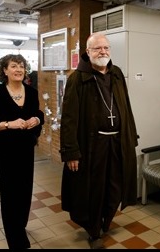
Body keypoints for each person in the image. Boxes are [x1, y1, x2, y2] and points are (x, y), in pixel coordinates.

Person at [59, 32, 139, 249]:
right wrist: (71, 151)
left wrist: (131, 136)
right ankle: (94, 231)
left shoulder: (117, 74)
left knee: (115, 186)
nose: (103, 52)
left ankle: (106, 219)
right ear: (88, 52)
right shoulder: (77, 79)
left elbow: (126, 107)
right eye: (97, 49)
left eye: (106, 48)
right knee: (93, 189)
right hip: (92, 146)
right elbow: (68, 117)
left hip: (117, 143)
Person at [0, 54, 44, 249]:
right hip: (5, 150)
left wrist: (36, 120)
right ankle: (15, 238)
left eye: (21, 66)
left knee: (25, 189)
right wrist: (8, 124)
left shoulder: (31, 92)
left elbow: (38, 113)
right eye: (13, 66)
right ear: (4, 70)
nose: (18, 70)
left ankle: (20, 225)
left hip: (26, 148)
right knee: (10, 192)